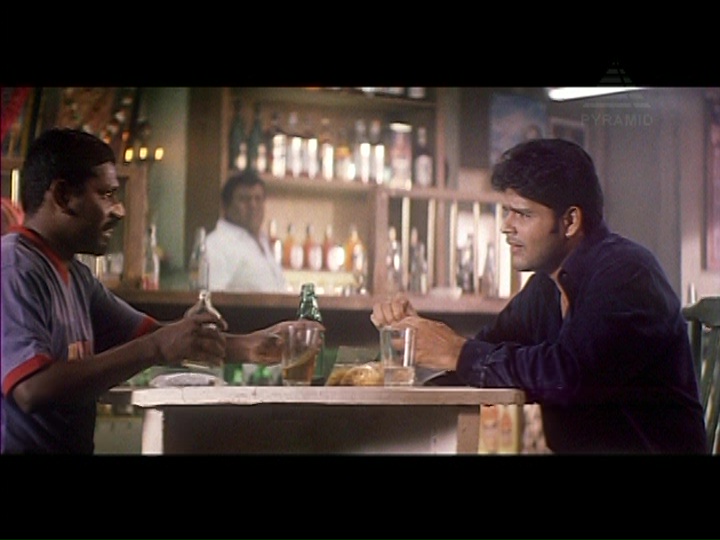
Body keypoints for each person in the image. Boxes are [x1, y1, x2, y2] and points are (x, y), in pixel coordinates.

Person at [371, 138, 707, 454]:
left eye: (523, 213)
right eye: (507, 211)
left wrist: (458, 353)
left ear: (570, 221)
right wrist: (412, 341)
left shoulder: (627, 274)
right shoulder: (546, 287)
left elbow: (570, 375)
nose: (506, 226)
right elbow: (485, 352)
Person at [0, 128, 321, 454]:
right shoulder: (14, 267)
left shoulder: (76, 276)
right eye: (106, 195)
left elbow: (154, 336)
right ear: (63, 196)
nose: (119, 210)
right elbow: (31, 388)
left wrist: (250, 346)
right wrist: (156, 347)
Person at [206, 169, 287, 293]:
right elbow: (211, 298)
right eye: (244, 199)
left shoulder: (263, 241)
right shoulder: (216, 245)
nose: (253, 205)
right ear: (225, 206)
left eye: (258, 199)